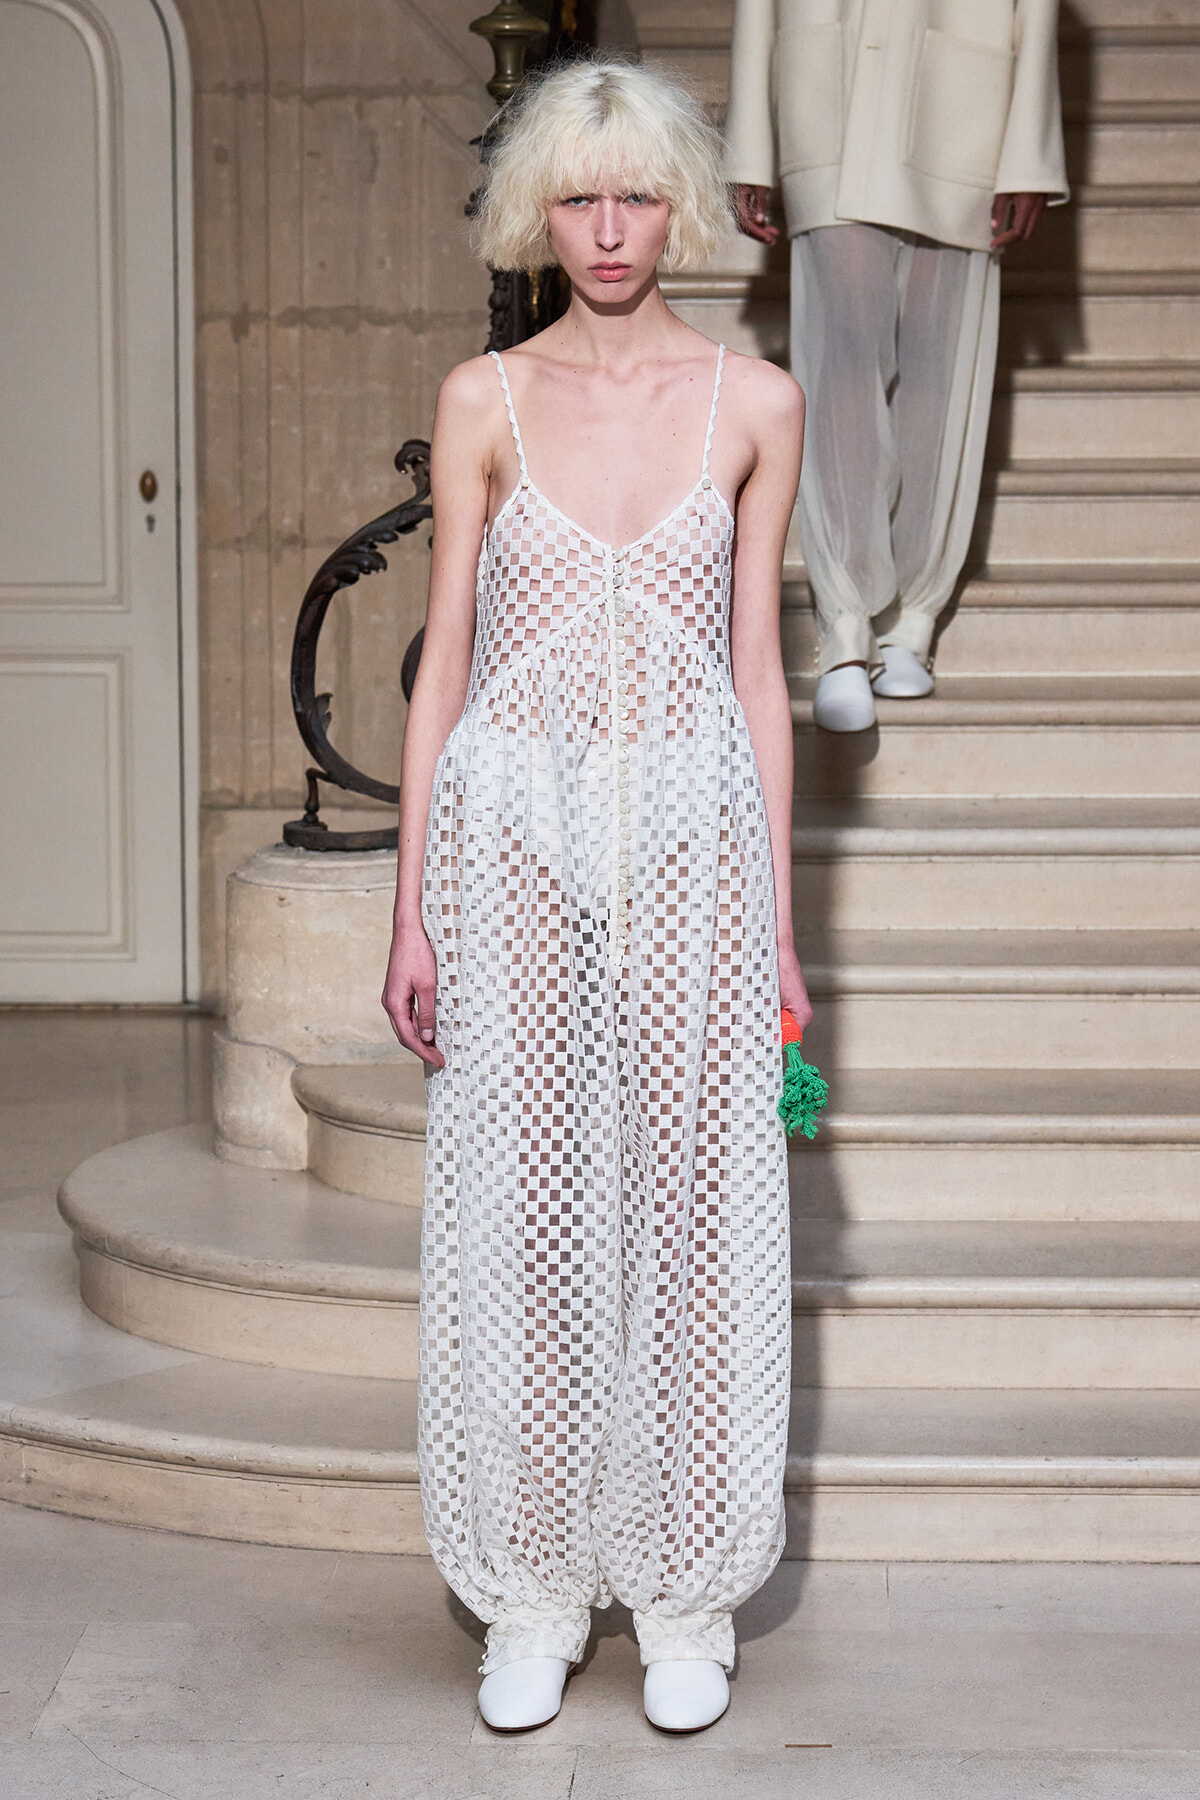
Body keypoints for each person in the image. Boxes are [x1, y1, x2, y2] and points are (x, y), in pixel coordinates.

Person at [382, 57, 812, 1734]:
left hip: (699, 842)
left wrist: (779, 916)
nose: (613, 227)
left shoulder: (754, 402)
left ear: (681, 203)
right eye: (581, 196)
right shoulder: (481, 395)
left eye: (637, 194)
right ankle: (539, 1589)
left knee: (700, 1209)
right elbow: (443, 672)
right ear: (538, 210)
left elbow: (761, 681)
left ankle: (687, 1588)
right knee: (528, 1210)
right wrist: (410, 904)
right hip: (511, 844)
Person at [724, 0, 1068, 730]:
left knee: (940, 371)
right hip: (829, 90)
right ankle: (846, 626)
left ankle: (912, 619)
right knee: (842, 355)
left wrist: (1028, 153)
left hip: (963, 105)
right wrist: (750, 145)